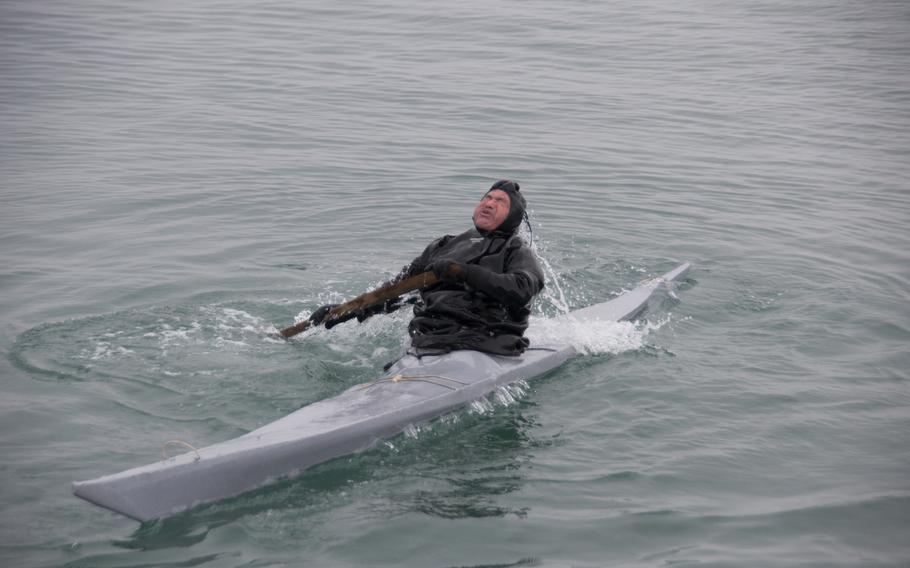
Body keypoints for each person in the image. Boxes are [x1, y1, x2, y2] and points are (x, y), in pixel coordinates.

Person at [311, 180, 545, 356]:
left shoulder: (516, 250)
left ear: (512, 215)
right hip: (429, 341)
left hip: (485, 343)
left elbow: (523, 288)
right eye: (487, 197)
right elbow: (397, 291)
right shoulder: (443, 246)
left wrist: (464, 273)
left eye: (500, 201)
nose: (489, 203)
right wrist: (347, 310)